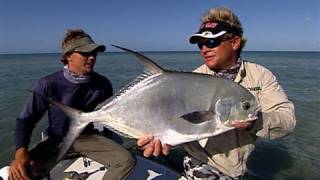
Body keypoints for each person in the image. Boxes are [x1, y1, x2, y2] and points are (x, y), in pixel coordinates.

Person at [137, 7, 296, 179]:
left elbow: (287, 120)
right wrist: (161, 138)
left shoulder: (260, 76)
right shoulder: (193, 80)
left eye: (211, 42)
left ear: (235, 42)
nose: (204, 49)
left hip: (238, 170)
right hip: (200, 166)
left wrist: (255, 122)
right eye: (200, 44)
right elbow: (180, 123)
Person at [9, 29, 135, 180]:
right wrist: (20, 152)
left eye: (94, 53)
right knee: (20, 173)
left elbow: (111, 116)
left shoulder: (103, 84)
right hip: (57, 140)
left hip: (87, 138)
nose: (92, 57)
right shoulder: (48, 83)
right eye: (85, 53)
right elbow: (26, 120)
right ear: (68, 56)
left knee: (127, 160)